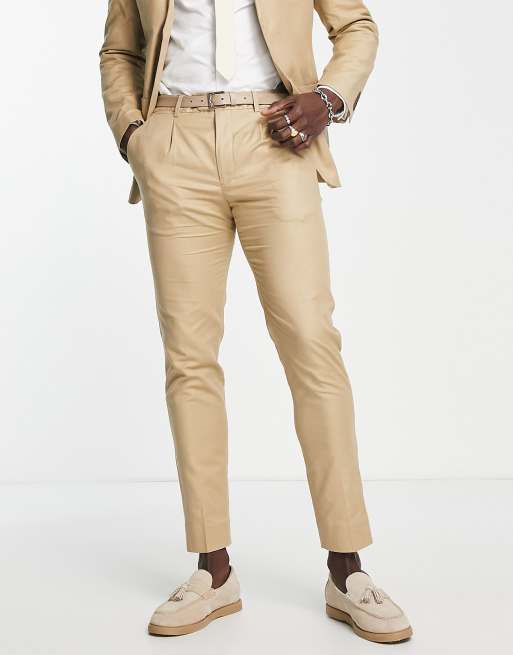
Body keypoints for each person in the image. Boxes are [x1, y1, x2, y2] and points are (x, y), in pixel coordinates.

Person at [99, 0, 412, 643]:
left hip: (276, 134)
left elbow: (355, 25)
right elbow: (120, 50)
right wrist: (134, 134)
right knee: (189, 358)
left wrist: (328, 97)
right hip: (174, 140)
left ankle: (347, 569)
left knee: (312, 346)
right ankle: (212, 569)